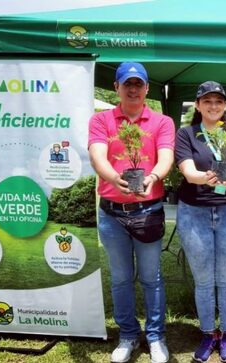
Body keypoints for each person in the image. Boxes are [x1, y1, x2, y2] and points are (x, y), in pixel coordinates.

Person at [88, 62, 175, 363]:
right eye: (128, 84)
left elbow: (166, 157)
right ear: (117, 87)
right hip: (112, 213)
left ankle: (155, 337)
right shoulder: (102, 120)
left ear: (147, 88)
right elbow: (97, 155)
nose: (134, 89)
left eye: (139, 84)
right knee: (122, 278)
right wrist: (114, 178)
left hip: (148, 208)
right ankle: (127, 335)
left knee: (152, 277)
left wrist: (153, 177)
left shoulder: (162, 122)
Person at [174, 81, 226, 363]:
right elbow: (188, 170)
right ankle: (208, 334)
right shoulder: (186, 134)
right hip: (194, 212)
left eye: (218, 101)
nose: (213, 106)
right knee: (204, 280)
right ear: (197, 105)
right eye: (207, 101)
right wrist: (204, 178)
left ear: (225, 104)